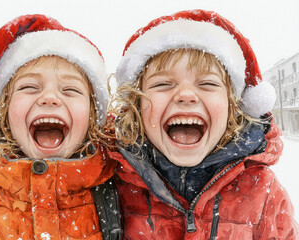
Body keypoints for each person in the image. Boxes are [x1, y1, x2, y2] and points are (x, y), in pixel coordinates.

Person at [109, 9, 299, 239]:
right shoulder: (113, 184)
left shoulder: (264, 193)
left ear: (233, 108)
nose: (186, 95)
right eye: (163, 84)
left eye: (208, 83)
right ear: (137, 105)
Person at [0, 14, 117, 239]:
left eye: (70, 90)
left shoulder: (120, 200)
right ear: (5, 112)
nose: (50, 98)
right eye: (30, 87)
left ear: (93, 116)